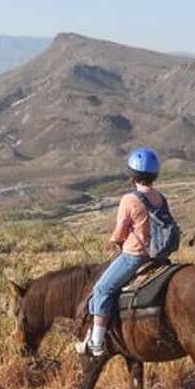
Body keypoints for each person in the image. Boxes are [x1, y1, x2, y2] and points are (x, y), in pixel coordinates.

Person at [76, 146, 168, 357]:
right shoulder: (160, 198)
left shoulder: (129, 200)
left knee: (101, 289)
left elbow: (120, 233)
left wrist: (114, 240)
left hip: (134, 256)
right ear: (154, 175)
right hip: (157, 255)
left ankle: (97, 342)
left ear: (132, 174)